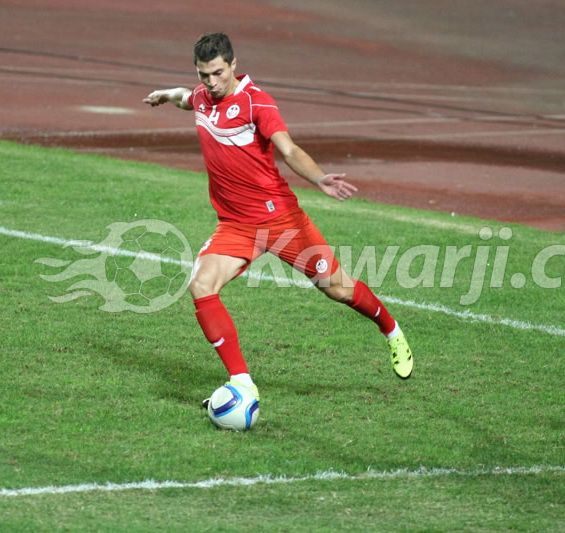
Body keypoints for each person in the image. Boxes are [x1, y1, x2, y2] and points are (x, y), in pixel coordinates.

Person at [142, 33, 414, 410]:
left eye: (218, 73)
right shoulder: (203, 97)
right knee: (201, 284)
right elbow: (186, 99)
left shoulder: (257, 102)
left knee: (337, 289)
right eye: (204, 75)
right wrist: (165, 95)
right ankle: (243, 383)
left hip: (281, 220)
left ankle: (392, 330)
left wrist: (319, 178)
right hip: (236, 225)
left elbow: (288, 149)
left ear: (234, 65)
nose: (211, 82)